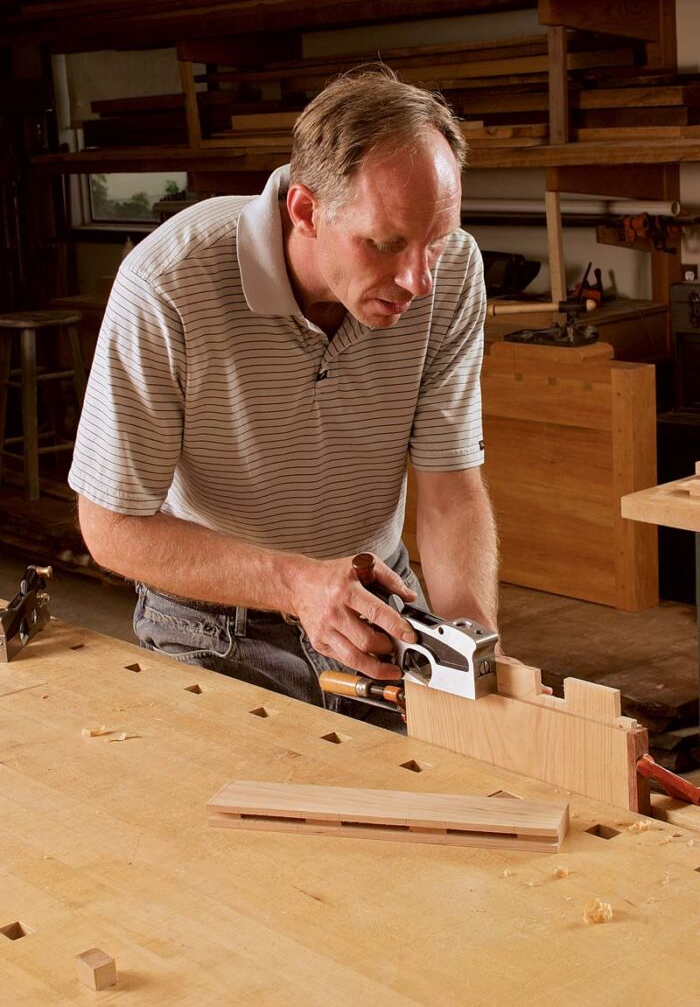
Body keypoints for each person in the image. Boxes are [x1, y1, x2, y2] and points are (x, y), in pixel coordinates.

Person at [69, 67, 499, 729]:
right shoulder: (167, 283)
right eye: (385, 245)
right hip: (211, 623)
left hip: (373, 610)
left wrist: (469, 644)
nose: (418, 279)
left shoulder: (454, 273)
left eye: (435, 240)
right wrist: (293, 584)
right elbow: (110, 527)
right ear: (305, 209)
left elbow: (450, 490)